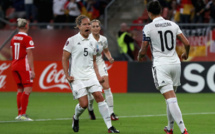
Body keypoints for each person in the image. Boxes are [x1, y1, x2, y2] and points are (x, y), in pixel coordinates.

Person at [138, 1, 190, 134]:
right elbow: (186, 43)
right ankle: (170, 128)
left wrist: (140, 56)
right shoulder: (173, 24)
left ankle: (183, 129)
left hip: (161, 65)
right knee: (171, 98)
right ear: (161, 11)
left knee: (171, 99)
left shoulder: (148, 27)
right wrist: (186, 54)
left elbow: (144, 49)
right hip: (175, 64)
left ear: (149, 13)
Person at [62, 15, 119, 133]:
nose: (88, 26)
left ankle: (109, 127)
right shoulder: (71, 40)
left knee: (99, 96)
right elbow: (64, 58)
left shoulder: (93, 42)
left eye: (88, 24)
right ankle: (76, 117)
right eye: (85, 24)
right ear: (78, 26)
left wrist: (98, 76)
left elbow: (94, 61)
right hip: (76, 77)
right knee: (84, 104)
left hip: (90, 74)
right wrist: (67, 75)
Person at [87, 19, 119, 121]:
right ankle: (90, 109)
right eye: (93, 26)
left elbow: (106, 50)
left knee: (107, 87)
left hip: (100, 64)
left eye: (97, 26)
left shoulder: (103, 39)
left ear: (100, 28)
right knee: (92, 94)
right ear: (90, 28)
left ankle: (111, 113)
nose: (96, 28)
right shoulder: (87, 39)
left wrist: (109, 58)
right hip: (89, 65)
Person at [11, 18, 35, 121]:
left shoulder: (14, 37)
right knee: (28, 88)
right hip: (23, 66)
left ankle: (19, 114)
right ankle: (23, 114)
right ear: (26, 26)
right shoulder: (27, 38)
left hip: (14, 64)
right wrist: (32, 70)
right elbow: (29, 54)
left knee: (20, 89)